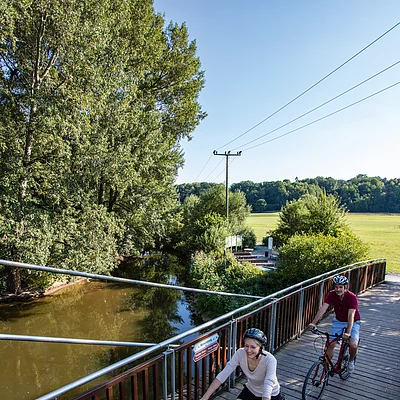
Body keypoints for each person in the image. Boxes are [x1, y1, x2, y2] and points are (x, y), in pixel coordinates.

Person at [200, 328, 285, 400]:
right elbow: (223, 375)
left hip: (271, 395)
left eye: (253, 347)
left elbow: (268, 386)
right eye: (246, 346)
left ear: (261, 348)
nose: (248, 350)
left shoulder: (270, 360)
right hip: (251, 391)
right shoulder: (240, 353)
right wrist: (205, 397)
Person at [308, 275, 361, 374]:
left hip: (353, 321)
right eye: (336, 287)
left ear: (346, 287)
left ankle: (351, 361)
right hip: (338, 321)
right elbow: (323, 308)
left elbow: (351, 315)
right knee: (330, 344)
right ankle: (326, 367)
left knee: (353, 345)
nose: (338, 289)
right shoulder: (332, 294)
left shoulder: (352, 297)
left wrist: (348, 332)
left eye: (341, 287)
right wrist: (313, 323)